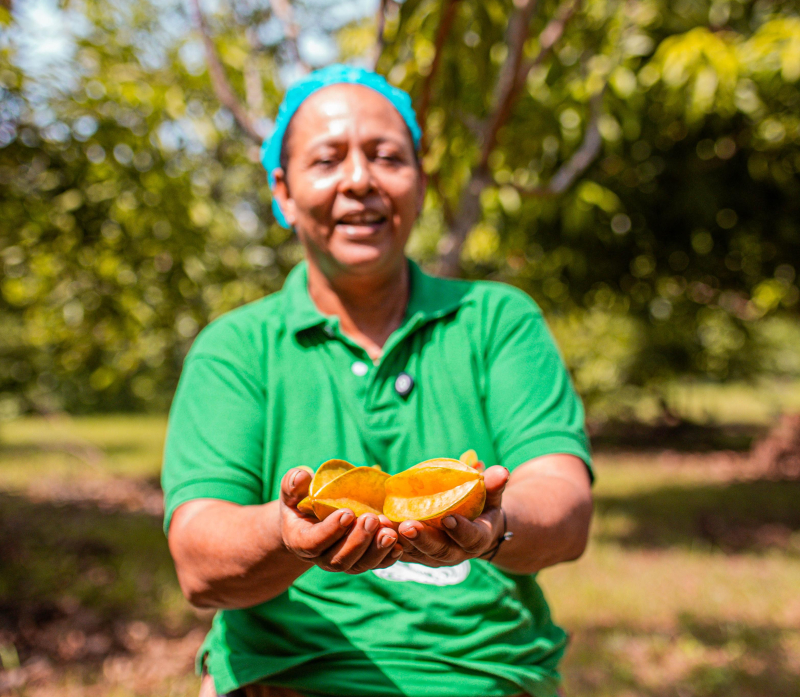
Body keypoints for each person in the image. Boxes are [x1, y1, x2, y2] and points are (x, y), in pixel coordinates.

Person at [162, 64, 594, 697]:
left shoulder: (497, 321)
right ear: (282, 194)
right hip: (285, 679)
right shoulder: (236, 349)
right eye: (327, 160)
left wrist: (491, 525)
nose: (359, 180)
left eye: (387, 157)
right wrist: (288, 534)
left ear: (420, 184)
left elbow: (566, 502)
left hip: (482, 678)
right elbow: (199, 563)